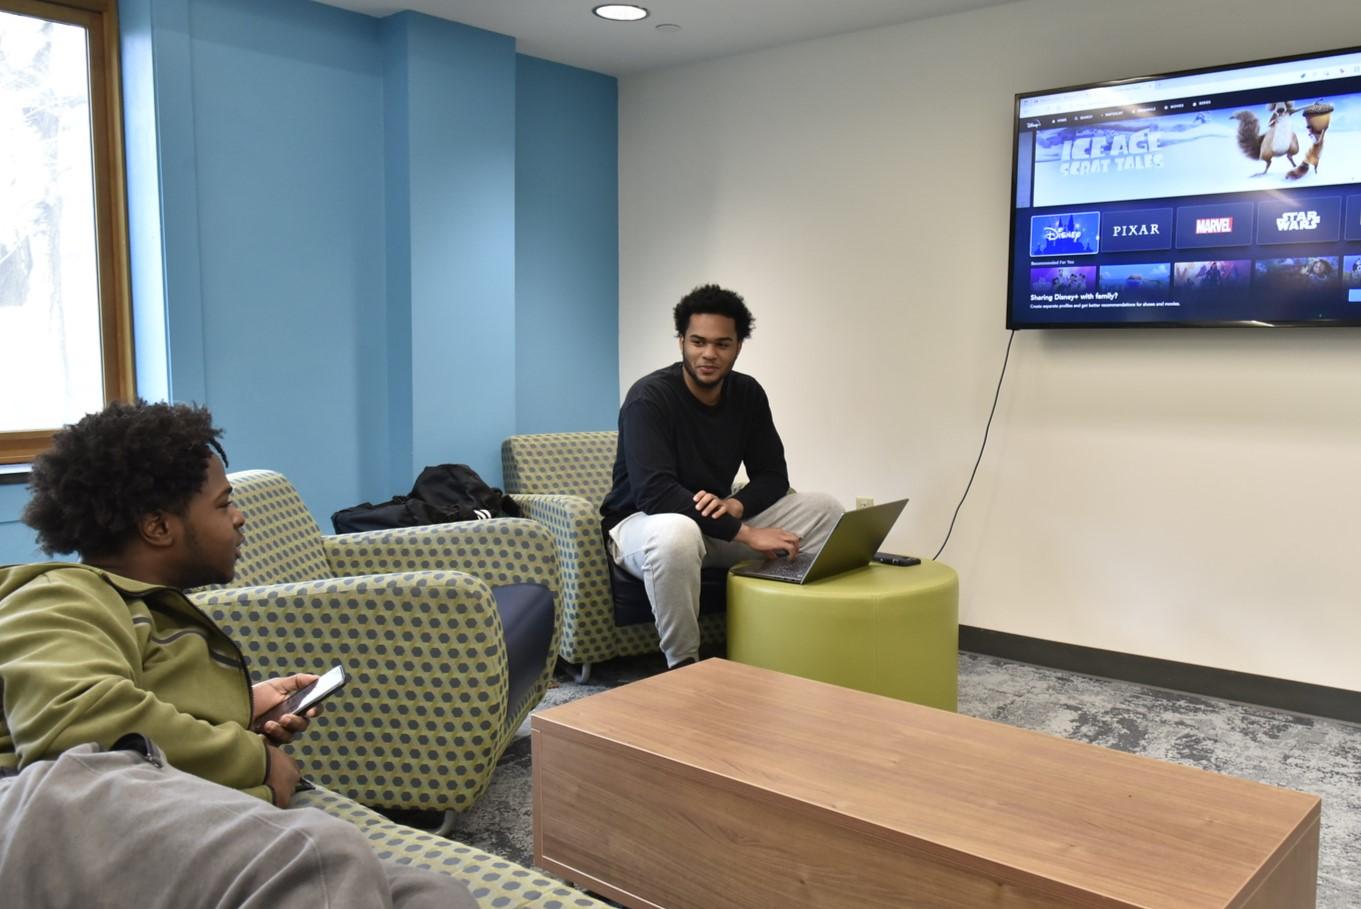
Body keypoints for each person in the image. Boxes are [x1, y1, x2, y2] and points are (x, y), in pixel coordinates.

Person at [0, 401, 475, 908]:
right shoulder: (60, 594)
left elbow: (141, 728)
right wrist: (254, 761)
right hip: (48, 824)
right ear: (159, 528)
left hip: (156, 824)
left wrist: (238, 712)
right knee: (325, 851)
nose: (241, 516)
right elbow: (75, 725)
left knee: (435, 895)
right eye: (224, 504)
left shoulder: (159, 613)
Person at [601, 284, 843, 668]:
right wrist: (745, 532)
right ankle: (683, 666)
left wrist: (735, 505)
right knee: (676, 532)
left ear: (738, 346)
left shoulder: (747, 394)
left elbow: (773, 475)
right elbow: (655, 494)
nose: (709, 354)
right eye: (698, 341)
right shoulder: (648, 398)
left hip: (715, 521)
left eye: (722, 344)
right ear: (681, 341)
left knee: (825, 509)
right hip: (643, 526)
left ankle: (791, 638)